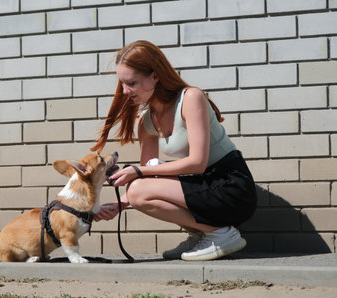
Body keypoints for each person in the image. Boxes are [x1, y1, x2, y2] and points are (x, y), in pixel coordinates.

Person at [91, 40, 257, 261]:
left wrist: (137, 173)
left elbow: (197, 162)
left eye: (131, 83)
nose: (124, 91)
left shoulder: (191, 98)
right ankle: (201, 233)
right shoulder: (145, 122)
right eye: (122, 83)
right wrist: (119, 204)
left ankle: (221, 234)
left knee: (138, 184)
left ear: (156, 76)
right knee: (137, 188)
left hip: (230, 187)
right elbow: (147, 178)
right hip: (202, 187)